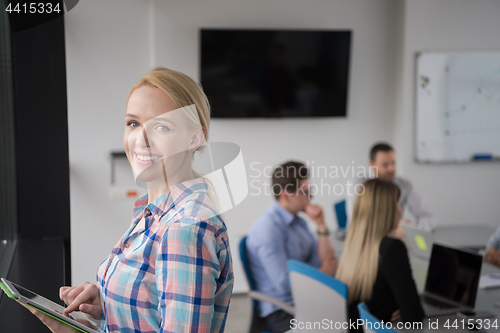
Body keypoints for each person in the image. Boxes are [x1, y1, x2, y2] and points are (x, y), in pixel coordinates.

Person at [23, 67, 234, 332]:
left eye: (161, 126)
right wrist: (108, 305)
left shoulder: (184, 228)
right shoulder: (153, 211)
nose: (140, 140)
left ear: (194, 138)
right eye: (133, 123)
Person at [246, 161, 338, 333]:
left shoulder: (299, 222)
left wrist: (321, 225)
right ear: (286, 195)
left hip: (306, 298)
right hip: (283, 310)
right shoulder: (268, 228)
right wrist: (324, 272)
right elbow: (284, 285)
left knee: (352, 312)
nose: (311, 197)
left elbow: (319, 260)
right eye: (305, 192)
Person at [337, 179, 425, 331]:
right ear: (389, 210)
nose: (400, 210)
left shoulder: (355, 242)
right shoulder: (392, 248)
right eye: (399, 204)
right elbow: (414, 317)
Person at [346, 143, 435, 233]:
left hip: (394, 237)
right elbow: (356, 221)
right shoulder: (359, 184)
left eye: (393, 163)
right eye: (385, 164)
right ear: (371, 164)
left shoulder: (404, 184)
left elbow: (427, 217)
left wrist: (414, 227)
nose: (391, 168)